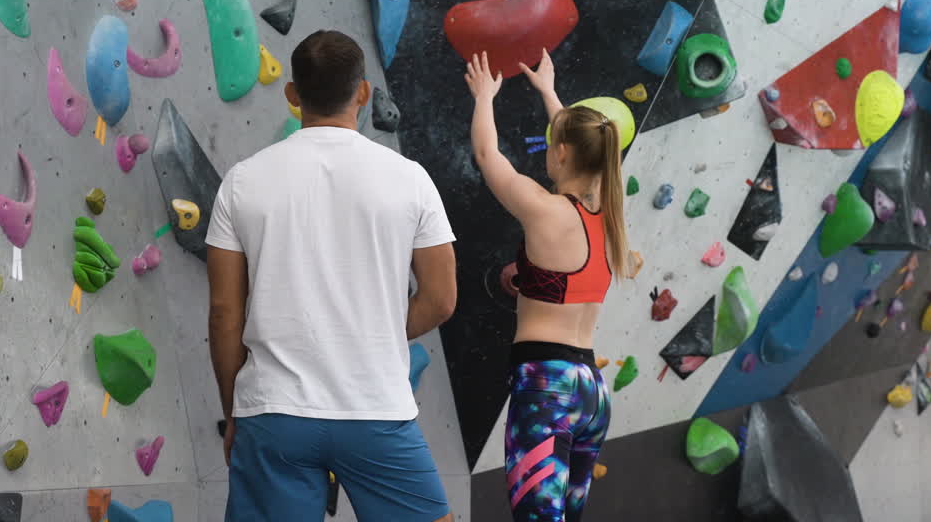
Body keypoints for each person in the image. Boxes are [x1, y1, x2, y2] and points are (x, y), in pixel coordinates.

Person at [206, 30, 458, 522]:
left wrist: (235, 410)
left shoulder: (242, 182)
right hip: (375, 409)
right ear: (362, 92)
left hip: (274, 413)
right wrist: (372, 335)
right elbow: (441, 299)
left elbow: (223, 312)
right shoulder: (411, 179)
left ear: (292, 94)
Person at [464, 49, 625, 522]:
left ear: (562, 152)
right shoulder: (609, 220)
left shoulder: (546, 210)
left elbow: (487, 155)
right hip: (591, 393)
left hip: (547, 387)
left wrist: (484, 96)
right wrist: (549, 93)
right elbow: (584, 144)